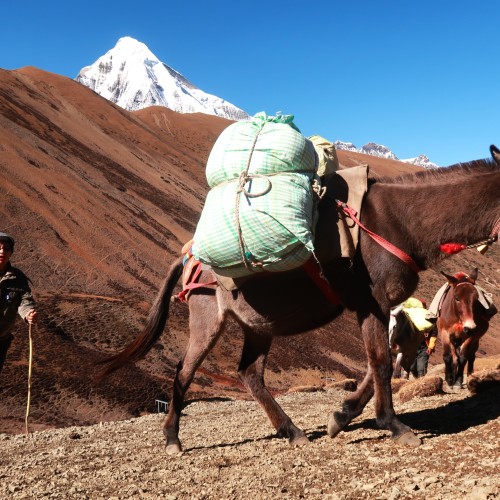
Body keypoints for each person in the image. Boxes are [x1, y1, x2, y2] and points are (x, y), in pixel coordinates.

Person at [0, 232, 37, 377]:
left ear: (11, 252)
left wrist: (29, 313)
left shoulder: (17, 278)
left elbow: (24, 299)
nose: (2, 251)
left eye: (6, 248)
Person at [409, 299, 437, 378]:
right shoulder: (411, 317)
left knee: (421, 369)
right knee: (412, 368)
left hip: (424, 347)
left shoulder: (430, 318)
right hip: (412, 348)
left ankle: (421, 383)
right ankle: (417, 379)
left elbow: (434, 333)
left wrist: (431, 346)